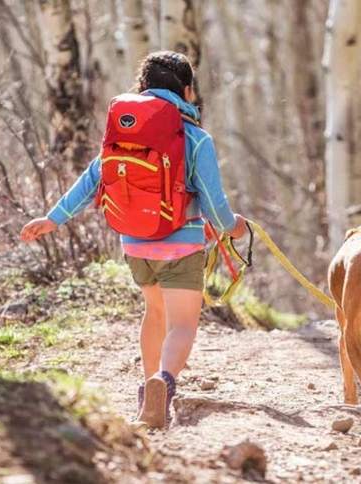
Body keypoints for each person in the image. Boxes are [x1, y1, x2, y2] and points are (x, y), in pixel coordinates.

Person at [20, 51, 247, 428]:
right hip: (181, 245)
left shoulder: (123, 132)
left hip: (135, 244)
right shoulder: (196, 138)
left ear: (142, 88)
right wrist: (233, 226)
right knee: (183, 325)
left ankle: (146, 392)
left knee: (154, 313)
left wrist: (53, 218)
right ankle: (164, 382)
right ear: (188, 91)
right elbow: (214, 202)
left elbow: (93, 177)